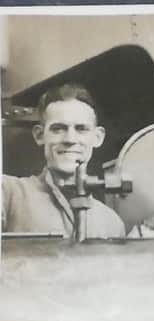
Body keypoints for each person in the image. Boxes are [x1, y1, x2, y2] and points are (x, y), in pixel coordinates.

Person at [2, 83, 125, 238]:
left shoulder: (111, 223)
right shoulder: (8, 194)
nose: (70, 139)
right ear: (39, 135)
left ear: (97, 137)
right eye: (58, 129)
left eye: (81, 129)